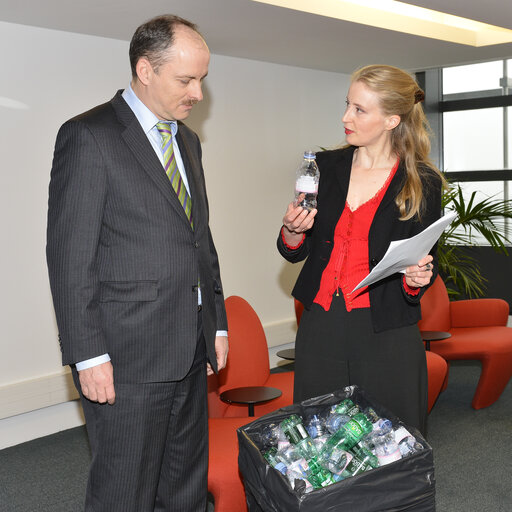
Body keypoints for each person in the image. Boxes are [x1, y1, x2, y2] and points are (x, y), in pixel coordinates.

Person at [46, 15, 228, 512]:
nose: (197, 94)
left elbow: (200, 242)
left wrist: (217, 323)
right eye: (185, 80)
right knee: (124, 491)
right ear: (146, 70)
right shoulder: (89, 136)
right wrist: (87, 355)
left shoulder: (186, 141)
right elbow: (69, 257)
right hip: (125, 356)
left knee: (185, 488)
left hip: (189, 347)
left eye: (201, 81)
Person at [277, 64, 445, 434]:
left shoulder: (422, 182)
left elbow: (427, 266)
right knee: (319, 441)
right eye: (347, 105)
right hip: (322, 323)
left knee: (390, 441)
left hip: (386, 329)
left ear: (391, 120)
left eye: (359, 110)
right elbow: (295, 249)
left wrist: (416, 279)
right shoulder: (323, 166)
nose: (345, 117)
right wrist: (292, 231)